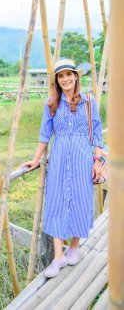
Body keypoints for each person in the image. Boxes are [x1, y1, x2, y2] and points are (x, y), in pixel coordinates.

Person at [20, 59, 103, 278]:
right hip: (58, 161)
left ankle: (75, 246)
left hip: (82, 159)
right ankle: (59, 256)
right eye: (60, 76)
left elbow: (96, 133)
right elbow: (44, 135)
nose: (65, 79)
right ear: (57, 80)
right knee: (56, 201)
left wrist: (97, 161)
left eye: (69, 74)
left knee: (79, 198)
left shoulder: (88, 101)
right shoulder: (51, 103)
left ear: (76, 76)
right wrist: (35, 159)